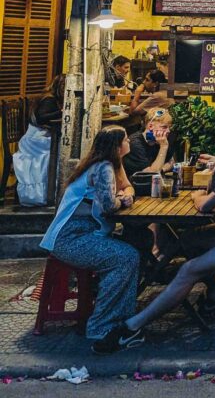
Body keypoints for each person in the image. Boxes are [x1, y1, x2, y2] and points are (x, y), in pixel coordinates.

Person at [104, 125, 215, 347]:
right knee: (190, 239)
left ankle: (133, 326)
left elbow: (206, 206)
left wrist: (197, 196)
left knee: (187, 270)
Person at [39, 126, 140, 353]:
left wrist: (128, 193)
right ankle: (100, 325)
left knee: (134, 247)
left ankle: (119, 317)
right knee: (126, 256)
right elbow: (109, 206)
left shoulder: (111, 164)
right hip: (71, 239)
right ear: (116, 146)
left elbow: (126, 186)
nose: (129, 142)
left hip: (86, 234)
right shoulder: (103, 168)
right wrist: (124, 200)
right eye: (125, 140)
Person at [13, 74, 65, 205]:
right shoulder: (49, 100)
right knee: (60, 151)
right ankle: (49, 192)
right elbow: (42, 117)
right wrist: (63, 111)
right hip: (35, 139)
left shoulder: (52, 98)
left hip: (40, 135)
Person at [122, 109, 174, 180]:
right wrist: (163, 147)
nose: (168, 131)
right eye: (164, 127)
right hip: (136, 186)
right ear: (150, 126)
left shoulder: (160, 139)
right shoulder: (135, 144)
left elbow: (171, 161)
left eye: (169, 127)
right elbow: (152, 174)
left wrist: (161, 169)